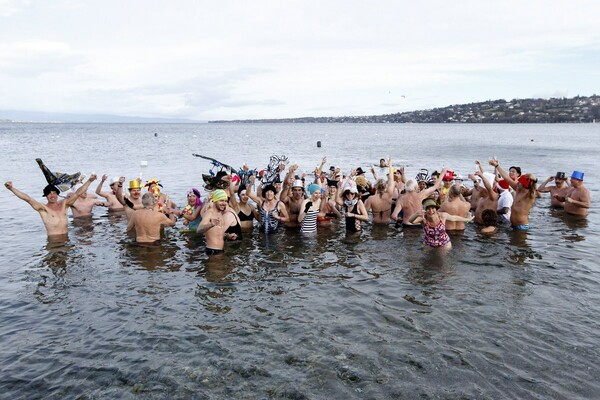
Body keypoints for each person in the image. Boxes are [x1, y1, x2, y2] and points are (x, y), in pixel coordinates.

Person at [4, 174, 97, 239]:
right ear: (46, 196)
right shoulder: (43, 209)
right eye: (49, 194)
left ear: (57, 194)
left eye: (54, 193)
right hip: (54, 243)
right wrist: (11, 188)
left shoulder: (64, 205)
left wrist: (90, 180)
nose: (52, 196)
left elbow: (78, 193)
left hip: (67, 240)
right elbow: (28, 199)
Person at [489, 159, 537, 230]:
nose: (517, 182)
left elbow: (533, 188)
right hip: (513, 225)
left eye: (519, 182)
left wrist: (534, 179)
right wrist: (496, 165)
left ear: (524, 185)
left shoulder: (529, 196)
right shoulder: (518, 190)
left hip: (522, 227)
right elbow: (506, 177)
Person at [408, 198, 473, 250]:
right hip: (429, 243)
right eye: (428, 209)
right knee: (426, 262)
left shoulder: (442, 216)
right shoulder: (423, 219)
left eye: (433, 208)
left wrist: (467, 219)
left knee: (442, 262)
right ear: (424, 210)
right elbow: (411, 221)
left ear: (436, 209)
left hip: (444, 243)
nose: (431, 211)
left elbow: (454, 218)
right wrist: (416, 214)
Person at [197, 189, 242, 254]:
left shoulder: (220, 213)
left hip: (220, 250)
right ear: (215, 200)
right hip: (212, 250)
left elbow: (217, 233)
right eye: (221, 200)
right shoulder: (209, 213)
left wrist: (228, 236)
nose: (224, 203)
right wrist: (211, 225)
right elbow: (199, 230)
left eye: (225, 201)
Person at [365, 160, 395, 224]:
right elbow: (391, 179)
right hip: (387, 222)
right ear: (385, 187)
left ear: (375, 187)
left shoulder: (371, 198)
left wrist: (374, 173)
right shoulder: (389, 195)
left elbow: (364, 214)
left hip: (376, 223)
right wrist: (390, 165)